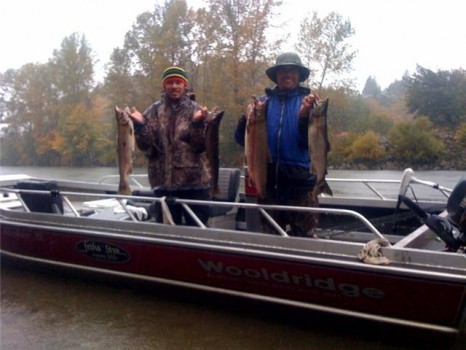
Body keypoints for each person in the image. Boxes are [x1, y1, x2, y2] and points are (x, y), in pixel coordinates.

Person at [237, 52, 319, 237]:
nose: (287, 74)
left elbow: (310, 144)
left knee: (305, 239)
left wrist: (305, 115)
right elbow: (240, 139)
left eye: (292, 70)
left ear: (299, 75)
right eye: (282, 70)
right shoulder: (261, 103)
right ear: (276, 75)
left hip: (300, 185)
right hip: (269, 184)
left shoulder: (309, 104)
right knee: (270, 237)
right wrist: (246, 118)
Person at [128, 66, 211, 226]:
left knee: (198, 233)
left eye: (178, 82)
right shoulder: (153, 111)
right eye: (170, 82)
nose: (174, 86)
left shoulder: (197, 111)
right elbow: (145, 145)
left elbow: (200, 146)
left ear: (184, 85)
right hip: (163, 184)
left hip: (195, 185)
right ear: (164, 86)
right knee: (168, 235)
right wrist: (139, 126)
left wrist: (197, 124)